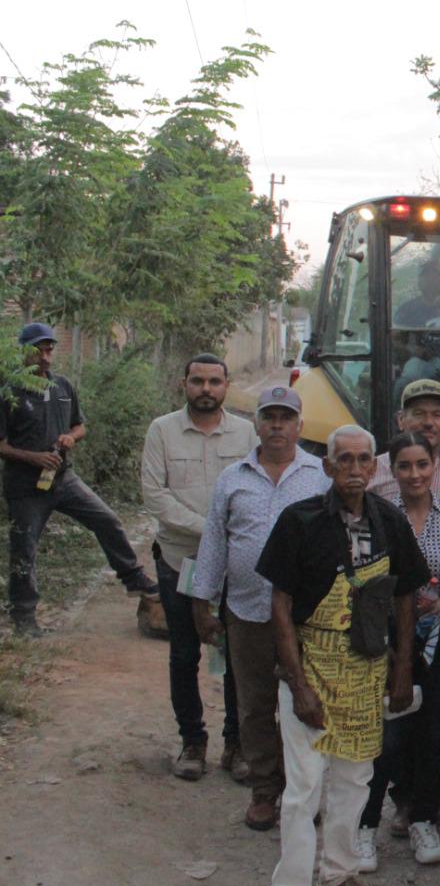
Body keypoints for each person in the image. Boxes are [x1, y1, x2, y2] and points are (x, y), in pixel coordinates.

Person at [256, 424, 429, 886]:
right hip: (310, 666)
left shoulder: (388, 521)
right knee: (304, 785)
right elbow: (281, 605)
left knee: (355, 781)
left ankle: (339, 873)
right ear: (328, 467)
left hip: (366, 669)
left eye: (363, 460)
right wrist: (298, 683)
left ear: (374, 468)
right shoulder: (300, 521)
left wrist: (402, 672)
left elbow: (405, 597)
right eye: (344, 460)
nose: (354, 469)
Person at [192, 386, 330, 831]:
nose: (276, 425)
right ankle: (265, 792)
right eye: (268, 417)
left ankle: (303, 790)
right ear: (256, 424)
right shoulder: (233, 478)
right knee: (254, 705)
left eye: (285, 418)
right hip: (246, 611)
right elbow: (214, 542)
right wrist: (202, 603)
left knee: (305, 701)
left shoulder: (319, 477)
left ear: (299, 426)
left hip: (306, 617)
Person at [141, 352, 256, 781]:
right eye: (197, 381)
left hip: (234, 566)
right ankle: (192, 741)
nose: (205, 389)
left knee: (236, 653)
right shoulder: (162, 431)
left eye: (214, 381)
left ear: (226, 386)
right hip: (180, 560)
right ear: (183, 384)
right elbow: (155, 495)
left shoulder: (246, 433)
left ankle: (236, 745)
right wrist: (209, 529)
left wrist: (226, 538)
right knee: (185, 653)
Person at [2, 322, 159, 635]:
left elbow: (80, 425)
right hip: (25, 487)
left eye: (48, 349)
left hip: (63, 479)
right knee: (25, 548)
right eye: (38, 350)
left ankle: (132, 577)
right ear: (23, 352)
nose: (45, 356)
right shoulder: (9, 391)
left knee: (107, 520)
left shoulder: (62, 386)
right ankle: (23, 616)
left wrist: (71, 438)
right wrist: (33, 457)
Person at [356, 432, 440, 870]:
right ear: (392, 470)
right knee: (387, 734)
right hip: (387, 639)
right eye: (405, 466)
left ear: (434, 467)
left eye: (423, 464)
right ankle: (365, 826)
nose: (415, 474)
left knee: (438, 729)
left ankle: (423, 817)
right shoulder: (377, 519)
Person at [369, 379, 440, 512]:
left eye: (437, 415)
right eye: (419, 414)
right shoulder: (376, 469)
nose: (429, 422)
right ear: (401, 420)